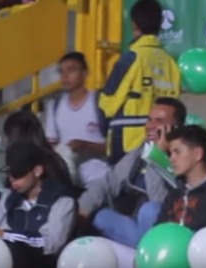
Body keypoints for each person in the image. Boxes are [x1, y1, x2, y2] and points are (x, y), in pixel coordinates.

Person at [78, 100, 184, 246]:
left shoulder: (181, 157)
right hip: (136, 228)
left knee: (150, 210)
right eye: (149, 120)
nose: (150, 126)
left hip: (164, 232)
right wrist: (83, 208)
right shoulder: (140, 152)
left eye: (159, 121)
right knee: (98, 215)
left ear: (176, 128)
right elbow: (108, 181)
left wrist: (156, 155)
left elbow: (159, 200)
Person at [0, 141, 76, 268]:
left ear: (37, 171)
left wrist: (4, 234)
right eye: (9, 174)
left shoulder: (62, 200)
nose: (11, 180)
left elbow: (50, 244)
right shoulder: (9, 199)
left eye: (18, 175)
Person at [100, 0, 181, 160]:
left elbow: (107, 102)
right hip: (162, 140)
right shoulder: (170, 62)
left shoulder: (132, 58)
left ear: (134, 24)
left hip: (127, 141)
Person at [44, 52, 108, 186]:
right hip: (67, 180)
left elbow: (115, 146)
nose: (65, 76)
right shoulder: (55, 105)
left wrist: (87, 145)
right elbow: (50, 144)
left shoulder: (99, 102)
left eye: (71, 70)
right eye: (61, 71)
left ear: (85, 74)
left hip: (99, 179)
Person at [157, 125, 206, 230]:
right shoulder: (175, 193)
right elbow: (158, 229)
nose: (172, 159)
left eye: (177, 152)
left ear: (198, 154)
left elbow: (205, 226)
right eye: (170, 153)